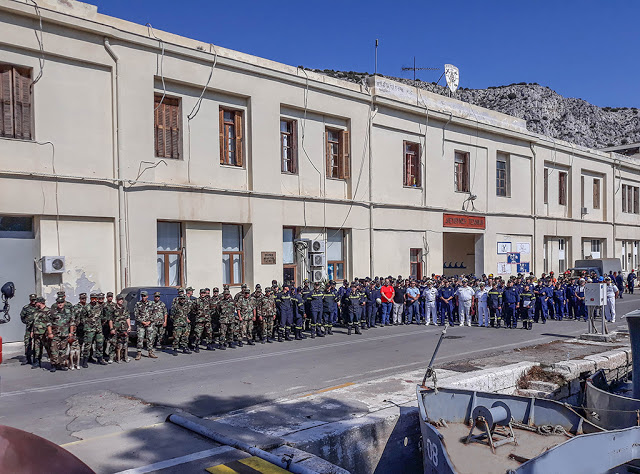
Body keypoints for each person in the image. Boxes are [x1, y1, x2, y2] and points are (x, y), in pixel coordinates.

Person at [49, 296, 77, 372]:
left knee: (63, 350)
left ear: (64, 303)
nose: (60, 304)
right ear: (56, 303)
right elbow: (49, 324)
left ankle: (61, 364)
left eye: (61, 302)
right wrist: (50, 333)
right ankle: (54, 365)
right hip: (55, 335)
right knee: (54, 350)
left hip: (65, 334)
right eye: (58, 302)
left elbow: (72, 323)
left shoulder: (68, 312)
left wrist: (71, 332)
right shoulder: (53, 312)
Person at [81, 293, 106, 367]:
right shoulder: (86, 307)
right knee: (87, 345)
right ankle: (85, 360)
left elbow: (102, 317)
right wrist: (88, 322)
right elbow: (82, 318)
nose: (94, 300)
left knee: (100, 344)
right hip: (89, 329)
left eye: (95, 298)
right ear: (90, 299)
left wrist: (100, 324)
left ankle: (100, 358)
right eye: (92, 298)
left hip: (98, 328)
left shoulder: (99, 307)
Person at [30, 297, 52, 370]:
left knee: (49, 348)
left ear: (40, 302)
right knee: (37, 349)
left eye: (36, 302)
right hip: (36, 333)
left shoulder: (48, 311)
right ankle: (37, 362)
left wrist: (49, 333)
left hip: (44, 334)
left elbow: (50, 323)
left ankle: (53, 362)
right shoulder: (36, 311)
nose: (35, 303)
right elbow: (34, 322)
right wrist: (32, 331)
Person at [134, 291, 156, 360]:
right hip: (141, 325)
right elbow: (136, 315)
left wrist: (149, 321)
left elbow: (154, 313)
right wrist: (143, 322)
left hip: (149, 324)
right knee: (140, 339)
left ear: (147, 296)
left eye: (144, 296)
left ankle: (150, 352)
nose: (143, 297)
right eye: (142, 296)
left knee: (150, 338)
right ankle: (139, 353)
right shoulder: (138, 304)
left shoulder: (151, 304)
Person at [19, 294, 38, 365]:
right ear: (30, 300)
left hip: (37, 329)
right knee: (27, 343)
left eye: (34, 300)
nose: (33, 301)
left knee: (37, 344)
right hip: (29, 328)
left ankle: (36, 359)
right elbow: (22, 316)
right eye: (32, 300)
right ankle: (28, 359)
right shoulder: (26, 308)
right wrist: (27, 322)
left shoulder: (38, 307)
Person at [112, 294, 131, 362]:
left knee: (125, 343)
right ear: (117, 300)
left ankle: (125, 357)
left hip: (124, 328)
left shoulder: (125, 308)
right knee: (116, 344)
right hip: (116, 329)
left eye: (122, 299)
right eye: (119, 299)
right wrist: (112, 328)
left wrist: (129, 326)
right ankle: (116, 358)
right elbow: (110, 319)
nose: (121, 301)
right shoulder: (113, 308)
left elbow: (127, 317)